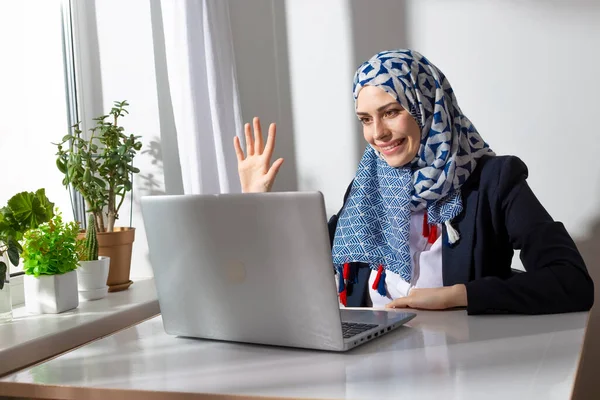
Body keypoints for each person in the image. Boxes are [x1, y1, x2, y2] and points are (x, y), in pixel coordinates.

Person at [233, 49, 594, 315]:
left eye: (391, 112)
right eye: (365, 119)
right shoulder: (368, 186)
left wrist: (457, 295)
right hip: (367, 357)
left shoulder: (494, 181)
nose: (377, 134)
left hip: (460, 358)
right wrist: (256, 206)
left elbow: (572, 282)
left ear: (427, 106)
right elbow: (303, 268)